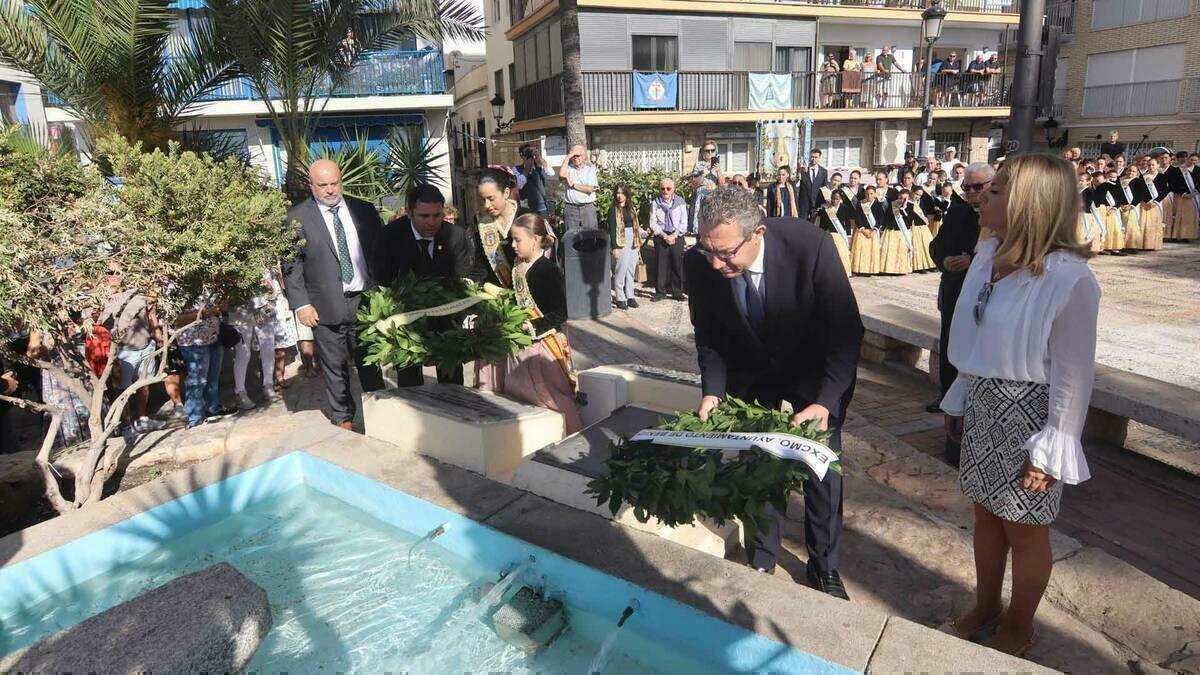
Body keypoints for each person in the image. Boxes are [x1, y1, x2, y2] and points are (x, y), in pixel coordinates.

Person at [939, 154, 1099, 657]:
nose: (983, 195)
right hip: (986, 401)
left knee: (1025, 528)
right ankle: (985, 606)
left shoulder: (1069, 280)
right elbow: (972, 330)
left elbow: (1074, 373)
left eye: (999, 189)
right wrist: (961, 394)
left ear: (1029, 204)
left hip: (1031, 414)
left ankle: (1020, 622)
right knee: (986, 514)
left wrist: (1054, 444)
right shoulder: (988, 256)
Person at [685, 186, 864, 598]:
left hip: (814, 373)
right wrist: (713, 390)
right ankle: (763, 556)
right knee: (758, 463)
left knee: (820, 470)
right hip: (753, 371)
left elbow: (846, 332)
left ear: (758, 233)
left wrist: (824, 401)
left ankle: (824, 567)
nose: (715, 263)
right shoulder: (702, 262)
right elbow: (708, 334)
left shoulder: (810, 246)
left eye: (727, 253)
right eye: (707, 250)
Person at [283, 159, 385, 431]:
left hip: (365, 302)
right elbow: (292, 265)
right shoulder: (297, 217)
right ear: (311, 186)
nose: (330, 190)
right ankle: (344, 422)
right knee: (335, 368)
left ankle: (381, 416)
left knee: (370, 363)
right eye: (323, 185)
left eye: (334, 183)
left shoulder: (363, 210)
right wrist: (302, 304)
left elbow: (380, 253)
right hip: (324, 307)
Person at [477, 214, 583, 434]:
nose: (513, 245)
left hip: (542, 348)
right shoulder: (518, 267)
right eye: (512, 240)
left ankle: (570, 434)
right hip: (520, 347)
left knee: (550, 398)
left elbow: (560, 313)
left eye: (517, 240)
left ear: (535, 239)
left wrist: (532, 326)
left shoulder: (547, 269)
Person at [374, 184, 475, 386]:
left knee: (451, 378)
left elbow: (461, 275)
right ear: (410, 212)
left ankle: (453, 414)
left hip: (446, 317)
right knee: (409, 379)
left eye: (437, 215)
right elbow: (382, 276)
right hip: (406, 319)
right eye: (424, 216)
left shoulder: (455, 236)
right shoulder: (389, 237)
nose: (431, 222)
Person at [927, 162, 992, 424]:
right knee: (950, 339)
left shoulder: (1003, 213)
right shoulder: (957, 212)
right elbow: (936, 246)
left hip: (985, 291)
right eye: (967, 187)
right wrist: (944, 260)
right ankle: (947, 394)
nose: (972, 193)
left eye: (979, 187)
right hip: (955, 288)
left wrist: (972, 259)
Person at [97, 264, 164, 434]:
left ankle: (142, 419)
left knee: (144, 385)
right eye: (110, 272)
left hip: (144, 345)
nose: (115, 276)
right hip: (123, 350)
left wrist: (157, 336)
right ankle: (125, 425)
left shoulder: (137, 292)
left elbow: (151, 314)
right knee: (122, 390)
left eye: (118, 272)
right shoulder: (101, 298)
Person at [175, 300, 234, 429]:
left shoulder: (207, 283)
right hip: (193, 343)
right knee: (197, 381)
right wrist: (205, 314)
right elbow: (176, 319)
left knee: (213, 377)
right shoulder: (174, 288)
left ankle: (213, 408)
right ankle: (194, 418)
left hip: (213, 337)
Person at [469, 168, 530, 288]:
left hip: (529, 292)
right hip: (498, 294)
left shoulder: (527, 218)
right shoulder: (481, 221)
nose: (487, 205)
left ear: (506, 193)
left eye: (491, 199)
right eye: (483, 200)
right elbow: (481, 264)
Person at [228, 276, 278, 411]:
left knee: (268, 348)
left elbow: (271, 292)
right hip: (241, 313)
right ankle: (240, 392)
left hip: (263, 311)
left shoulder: (260, 262)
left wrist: (267, 290)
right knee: (243, 353)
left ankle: (268, 385)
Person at [608, 184, 645, 310]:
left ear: (626, 194)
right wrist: (614, 247)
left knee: (630, 270)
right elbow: (612, 229)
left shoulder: (631, 207)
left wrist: (638, 243)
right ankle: (620, 297)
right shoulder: (613, 209)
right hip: (621, 241)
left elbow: (636, 224)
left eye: (622, 193)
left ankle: (630, 296)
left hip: (633, 240)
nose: (619, 196)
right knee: (620, 270)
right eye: (617, 193)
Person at [649, 178, 688, 302]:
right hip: (661, 235)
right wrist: (665, 236)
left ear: (673, 189)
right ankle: (660, 292)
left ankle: (677, 292)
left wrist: (674, 235)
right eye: (663, 188)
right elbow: (652, 222)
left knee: (677, 264)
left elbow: (683, 222)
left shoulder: (680, 202)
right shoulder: (655, 203)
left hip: (676, 235)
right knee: (660, 265)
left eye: (668, 188)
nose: (665, 191)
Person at [559, 144, 599, 231]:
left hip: (587, 208)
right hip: (571, 208)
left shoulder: (590, 170)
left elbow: (589, 189)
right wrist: (568, 156)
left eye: (578, 155)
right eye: (574, 156)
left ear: (584, 156)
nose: (575, 158)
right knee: (571, 238)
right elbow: (561, 174)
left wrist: (573, 185)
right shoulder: (568, 169)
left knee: (591, 237)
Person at [1132, 155, 1166, 251]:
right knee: (1144, 223)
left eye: (1153, 165)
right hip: (1145, 203)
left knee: (1153, 224)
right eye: (1149, 165)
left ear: (1158, 165)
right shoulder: (1143, 177)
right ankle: (1142, 244)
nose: (1151, 167)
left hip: (1156, 204)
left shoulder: (1161, 177)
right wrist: (1147, 200)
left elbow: (1165, 190)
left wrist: (1156, 201)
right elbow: (1140, 190)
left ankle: (1152, 244)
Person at [814, 189, 852, 276]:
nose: (835, 201)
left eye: (837, 199)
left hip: (840, 235)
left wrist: (849, 235)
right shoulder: (826, 209)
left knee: (842, 254)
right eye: (833, 198)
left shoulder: (845, 208)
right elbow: (822, 223)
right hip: (828, 234)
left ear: (840, 199)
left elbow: (848, 223)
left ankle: (843, 272)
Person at [1165, 151, 1200, 241]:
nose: (1192, 162)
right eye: (1191, 159)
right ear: (1188, 159)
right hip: (1180, 196)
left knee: (1188, 217)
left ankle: (1185, 236)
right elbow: (1174, 184)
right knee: (1178, 216)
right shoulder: (1178, 170)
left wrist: (1194, 193)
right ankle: (1175, 235)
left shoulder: (1198, 170)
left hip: (1194, 197)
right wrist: (1183, 193)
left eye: (1195, 160)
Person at [690, 140, 724, 234]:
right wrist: (703, 174)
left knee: (713, 225)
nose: (710, 153)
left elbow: (722, 184)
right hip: (701, 198)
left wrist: (718, 172)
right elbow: (693, 184)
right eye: (707, 151)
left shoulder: (717, 164)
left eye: (712, 150)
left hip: (714, 197)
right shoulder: (698, 165)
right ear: (703, 152)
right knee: (701, 225)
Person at [850, 184, 884, 275]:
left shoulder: (878, 204)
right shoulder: (861, 204)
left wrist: (875, 229)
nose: (869, 196)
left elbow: (880, 218)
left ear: (875, 194)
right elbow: (857, 217)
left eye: (871, 194)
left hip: (873, 231)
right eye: (867, 194)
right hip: (862, 231)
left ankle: (871, 270)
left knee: (872, 251)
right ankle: (860, 269)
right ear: (865, 194)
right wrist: (863, 229)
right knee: (861, 251)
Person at [879, 188, 915, 275]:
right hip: (891, 231)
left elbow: (909, 219)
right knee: (890, 251)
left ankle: (900, 270)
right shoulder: (893, 204)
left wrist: (903, 208)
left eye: (904, 198)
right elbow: (887, 216)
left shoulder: (910, 206)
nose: (902, 200)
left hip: (902, 232)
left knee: (901, 251)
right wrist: (883, 228)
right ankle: (889, 269)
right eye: (900, 198)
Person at [517, 143, 554, 217]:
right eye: (525, 152)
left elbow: (551, 173)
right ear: (521, 155)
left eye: (529, 152)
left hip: (543, 206)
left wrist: (539, 158)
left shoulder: (540, 166)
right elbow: (519, 185)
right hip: (526, 207)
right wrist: (527, 169)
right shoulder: (517, 169)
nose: (528, 154)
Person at [797, 148, 829, 219]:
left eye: (815, 157)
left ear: (819, 158)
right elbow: (798, 185)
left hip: (817, 204)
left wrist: (824, 202)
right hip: (804, 204)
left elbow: (824, 188)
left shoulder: (823, 172)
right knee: (803, 224)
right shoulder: (803, 170)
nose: (813, 159)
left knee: (815, 225)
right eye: (812, 157)